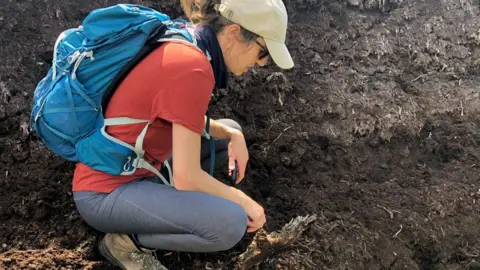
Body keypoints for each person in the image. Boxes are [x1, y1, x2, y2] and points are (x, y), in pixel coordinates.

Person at [72, 0, 294, 269]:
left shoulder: (187, 41)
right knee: (230, 224)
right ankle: (125, 243)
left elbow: (172, 113)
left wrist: (231, 135)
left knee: (230, 132)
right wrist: (244, 201)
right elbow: (187, 178)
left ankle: (169, 207)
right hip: (106, 193)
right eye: (263, 51)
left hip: (141, 164)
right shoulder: (194, 68)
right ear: (235, 32)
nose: (261, 63)